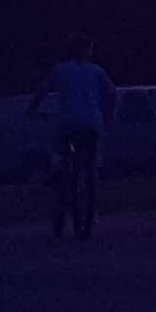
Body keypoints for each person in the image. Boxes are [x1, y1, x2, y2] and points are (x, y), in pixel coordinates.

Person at [48, 46, 113, 239]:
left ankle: (60, 184)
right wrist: (107, 115)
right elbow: (112, 93)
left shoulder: (60, 69)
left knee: (61, 154)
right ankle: (91, 207)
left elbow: (42, 91)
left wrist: (31, 110)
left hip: (68, 124)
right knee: (90, 164)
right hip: (92, 123)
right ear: (88, 52)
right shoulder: (97, 71)